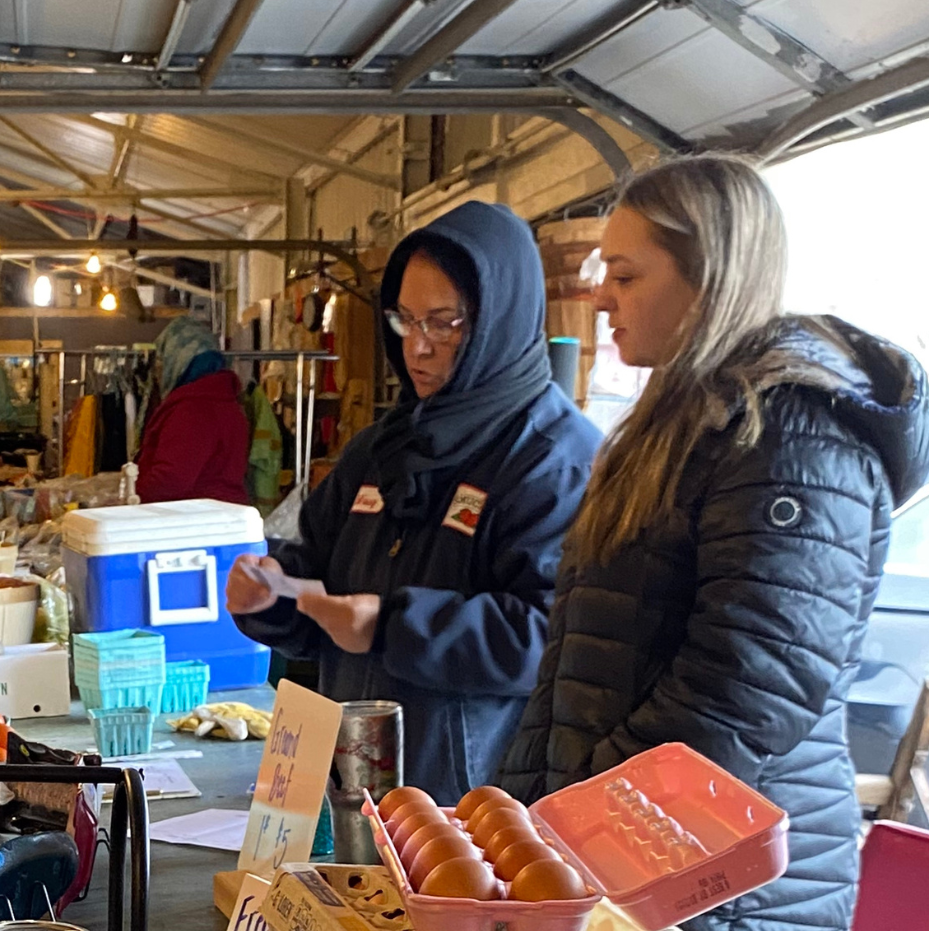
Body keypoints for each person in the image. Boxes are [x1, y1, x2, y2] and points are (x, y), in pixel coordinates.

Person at [497, 155, 929, 931]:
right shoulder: (677, 421)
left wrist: (581, 829)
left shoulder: (790, 437)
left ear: (711, 276)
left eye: (627, 275)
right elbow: (585, 659)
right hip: (634, 869)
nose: (603, 298)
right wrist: (527, 819)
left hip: (720, 895)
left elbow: (746, 689)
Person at [228, 202, 600, 802]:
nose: (418, 349)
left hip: (471, 805)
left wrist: (393, 627)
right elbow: (319, 573)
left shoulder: (555, 460)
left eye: (443, 323)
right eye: (405, 321)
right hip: (349, 783)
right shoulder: (385, 446)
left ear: (497, 319)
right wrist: (272, 593)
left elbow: (552, 637)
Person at [133, 316, 251, 504]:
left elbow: (171, 480)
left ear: (178, 360)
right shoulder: (224, 400)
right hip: (218, 517)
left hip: (191, 522)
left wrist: (131, 497)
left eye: (163, 360)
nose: (159, 370)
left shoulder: (193, 409)